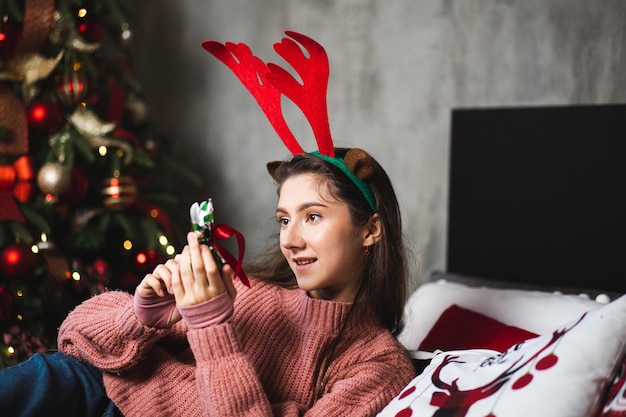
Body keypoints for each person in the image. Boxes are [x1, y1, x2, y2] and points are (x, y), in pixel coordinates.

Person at [0, 31, 417, 417]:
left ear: (371, 229)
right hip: (90, 388)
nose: (290, 240)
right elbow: (72, 337)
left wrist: (211, 329)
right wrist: (139, 318)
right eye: (284, 219)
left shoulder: (378, 367)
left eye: (312, 217)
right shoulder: (246, 290)